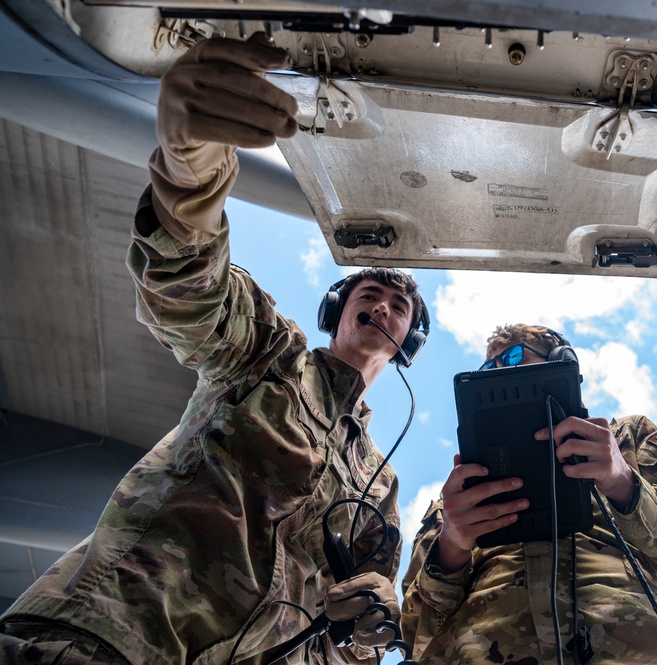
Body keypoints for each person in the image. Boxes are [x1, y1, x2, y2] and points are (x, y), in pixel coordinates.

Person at [1, 36, 427, 664]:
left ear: (408, 342)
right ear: (339, 310)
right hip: (116, 635)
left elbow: (361, 633)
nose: (384, 306)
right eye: (371, 291)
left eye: (400, 306)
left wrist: (369, 625)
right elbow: (189, 290)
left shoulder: (379, 484)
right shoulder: (271, 356)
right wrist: (189, 165)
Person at [401, 324, 657, 665]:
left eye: (510, 357)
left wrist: (624, 485)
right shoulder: (456, 500)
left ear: (562, 361)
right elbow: (413, 635)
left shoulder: (628, 442)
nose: (496, 371)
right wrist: (452, 546)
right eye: (486, 366)